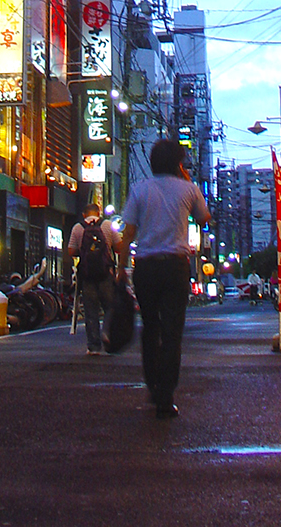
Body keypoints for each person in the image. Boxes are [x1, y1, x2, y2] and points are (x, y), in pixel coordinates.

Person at [117, 140, 210, 419]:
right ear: (178, 164)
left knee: (150, 327)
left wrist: (121, 268)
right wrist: (188, 181)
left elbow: (128, 233)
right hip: (176, 267)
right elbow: (204, 219)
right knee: (172, 332)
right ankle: (166, 395)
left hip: (145, 266)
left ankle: (153, 384)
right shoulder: (189, 189)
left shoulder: (140, 190)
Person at [67, 202, 120, 355]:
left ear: (84, 214)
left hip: (87, 274)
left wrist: (84, 252)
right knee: (110, 306)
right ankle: (107, 333)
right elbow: (118, 247)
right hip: (106, 274)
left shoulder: (78, 227)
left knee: (91, 310)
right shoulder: (108, 225)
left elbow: (71, 251)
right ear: (98, 213)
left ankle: (93, 346)